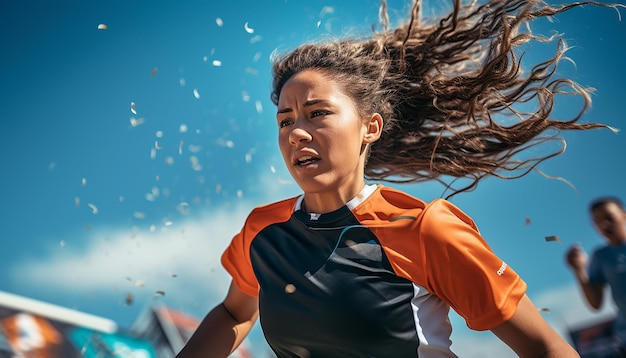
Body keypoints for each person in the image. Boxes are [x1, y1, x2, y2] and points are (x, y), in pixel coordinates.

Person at [177, 0, 623, 356]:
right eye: (284, 120)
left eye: (317, 114)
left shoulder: (427, 230)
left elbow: (544, 348)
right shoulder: (262, 232)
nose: (296, 132)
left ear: (369, 127)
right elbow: (235, 314)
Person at [566, 197, 626, 356]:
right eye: (597, 221)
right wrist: (578, 270)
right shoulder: (601, 257)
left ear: (623, 215)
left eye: (609, 217)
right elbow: (595, 303)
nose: (604, 224)